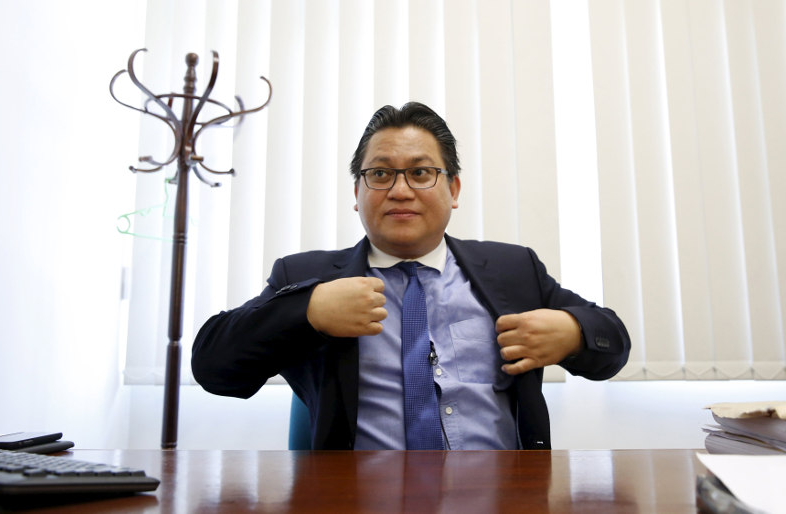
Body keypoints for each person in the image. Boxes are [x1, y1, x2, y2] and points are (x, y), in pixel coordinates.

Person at [191, 101, 631, 450]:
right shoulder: (308, 275)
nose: (400, 190)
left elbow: (613, 346)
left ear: (453, 189)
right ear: (357, 192)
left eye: (420, 173)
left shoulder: (513, 269)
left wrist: (574, 333)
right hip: (359, 499)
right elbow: (214, 368)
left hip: (503, 496)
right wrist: (306, 310)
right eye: (380, 174)